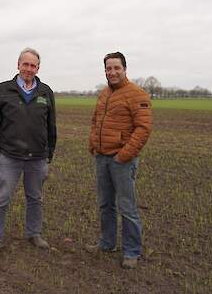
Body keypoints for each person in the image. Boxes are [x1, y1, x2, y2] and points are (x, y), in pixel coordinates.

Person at [0, 47, 57, 264]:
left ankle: (34, 234)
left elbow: (51, 127)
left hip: (37, 158)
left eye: (33, 65)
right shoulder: (2, 90)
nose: (29, 69)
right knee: (1, 200)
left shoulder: (46, 92)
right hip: (9, 158)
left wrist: (48, 155)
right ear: (18, 65)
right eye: (25, 64)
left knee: (35, 199)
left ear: (38, 68)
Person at [87, 52, 153, 269]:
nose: (112, 72)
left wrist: (123, 155)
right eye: (108, 68)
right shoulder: (104, 94)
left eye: (116, 68)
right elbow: (96, 120)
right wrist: (93, 144)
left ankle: (132, 251)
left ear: (125, 69)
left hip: (122, 160)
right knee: (105, 204)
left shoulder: (137, 94)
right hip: (102, 158)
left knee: (127, 207)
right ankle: (107, 243)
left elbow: (143, 129)